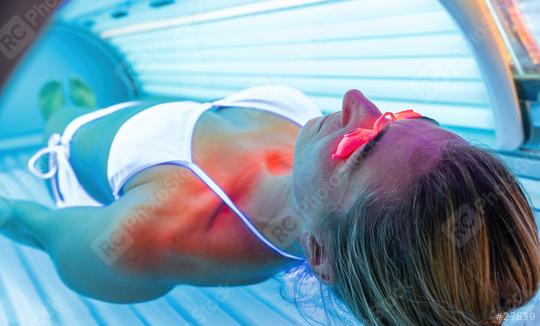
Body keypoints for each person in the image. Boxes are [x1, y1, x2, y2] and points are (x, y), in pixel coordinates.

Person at [0, 79, 538, 325]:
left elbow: (23, 220)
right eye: (404, 117)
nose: (357, 101)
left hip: (77, 151)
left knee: (59, 112)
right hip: (153, 111)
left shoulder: (141, 241)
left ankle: (61, 110)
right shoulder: (320, 158)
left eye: (358, 145)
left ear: (318, 253)